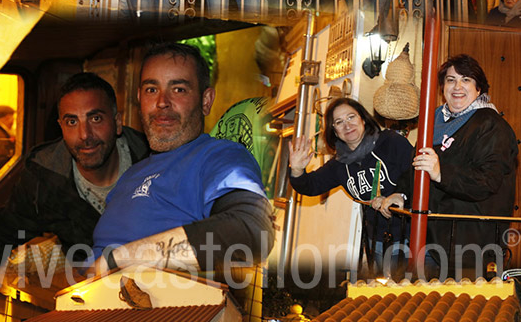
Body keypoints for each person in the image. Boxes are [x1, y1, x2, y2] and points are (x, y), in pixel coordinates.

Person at [92, 42, 274, 276]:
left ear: (206, 100)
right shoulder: (130, 176)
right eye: (151, 90)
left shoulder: (220, 157)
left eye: (178, 89)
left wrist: (121, 259)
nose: (162, 102)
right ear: (139, 98)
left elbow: (253, 230)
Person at [0, 72, 148, 275]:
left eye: (95, 118)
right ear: (61, 127)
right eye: (72, 122)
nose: (84, 135)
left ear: (117, 122)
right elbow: (0, 237)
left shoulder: (152, 161)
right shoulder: (44, 175)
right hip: (87, 292)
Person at [378, 54, 518, 278]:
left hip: (470, 244)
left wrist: (441, 173)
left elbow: (487, 181)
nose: (457, 86)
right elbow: (418, 163)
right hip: (433, 237)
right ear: (442, 87)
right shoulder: (434, 120)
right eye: (451, 80)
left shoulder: (491, 125)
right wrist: (402, 193)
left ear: (479, 88)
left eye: (466, 80)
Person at [289, 97, 413, 270]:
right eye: (339, 122)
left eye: (351, 117)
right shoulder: (339, 164)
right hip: (377, 240)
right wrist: (296, 170)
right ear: (335, 131)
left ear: (362, 118)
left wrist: (398, 194)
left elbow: (416, 173)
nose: (347, 125)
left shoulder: (391, 142)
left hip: (412, 235)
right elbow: (310, 186)